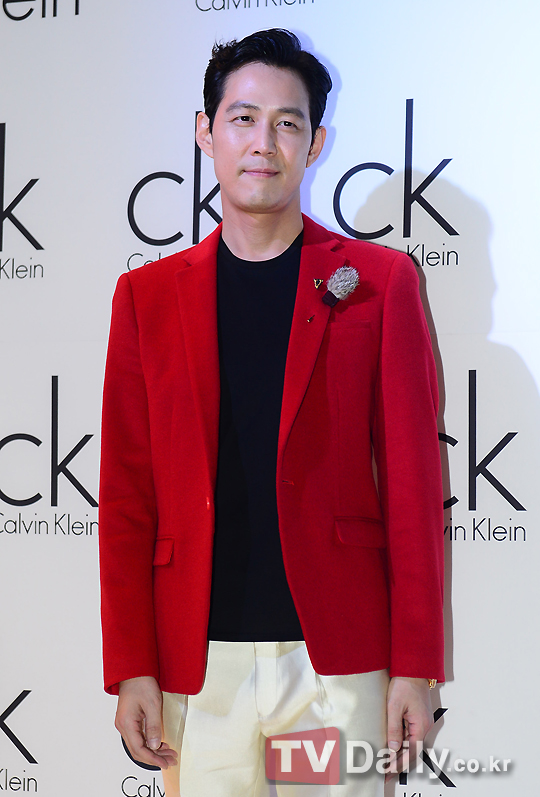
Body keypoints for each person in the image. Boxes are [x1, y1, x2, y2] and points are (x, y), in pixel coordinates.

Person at [99, 28, 444, 797]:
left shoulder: (377, 284)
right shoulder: (147, 298)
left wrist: (414, 665)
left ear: (315, 142)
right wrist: (131, 664)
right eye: (243, 118)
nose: (264, 142)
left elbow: (414, 488)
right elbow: (125, 495)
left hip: (331, 666)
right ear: (206, 132)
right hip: (199, 667)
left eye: (287, 123)